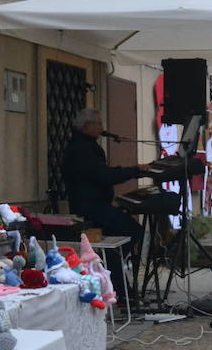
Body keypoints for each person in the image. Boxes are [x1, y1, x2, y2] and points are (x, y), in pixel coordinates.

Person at [62, 107, 152, 251]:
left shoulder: (82, 145)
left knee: (126, 229)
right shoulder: (83, 149)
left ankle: (113, 265)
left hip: (94, 206)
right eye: (98, 124)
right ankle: (112, 267)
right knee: (133, 231)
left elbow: (102, 172)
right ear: (88, 125)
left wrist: (133, 170)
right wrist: (134, 171)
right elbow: (104, 175)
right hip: (92, 209)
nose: (102, 128)